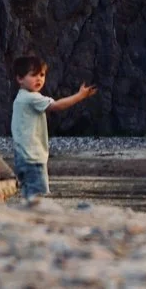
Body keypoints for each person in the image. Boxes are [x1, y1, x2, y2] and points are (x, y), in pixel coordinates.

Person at [9, 52, 94, 200]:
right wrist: (80, 96)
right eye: (33, 75)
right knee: (40, 199)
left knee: (28, 196)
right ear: (20, 79)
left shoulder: (21, 97)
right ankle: (36, 220)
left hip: (21, 158)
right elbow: (57, 106)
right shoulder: (31, 98)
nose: (39, 79)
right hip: (33, 158)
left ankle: (27, 219)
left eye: (42, 75)